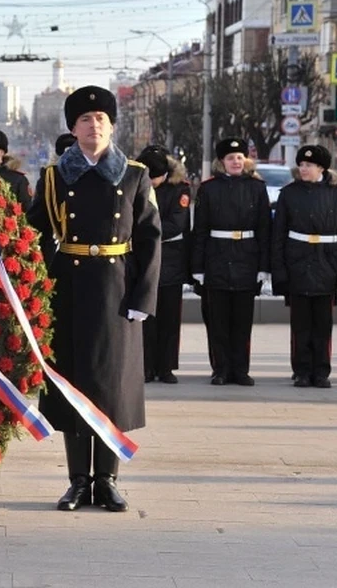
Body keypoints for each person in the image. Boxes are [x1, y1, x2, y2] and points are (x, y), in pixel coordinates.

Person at [27, 85, 161, 512]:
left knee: (111, 387)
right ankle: (77, 482)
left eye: (102, 118)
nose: (94, 124)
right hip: (68, 287)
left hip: (117, 290)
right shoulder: (53, 177)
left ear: (112, 125)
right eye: (85, 119)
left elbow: (150, 238)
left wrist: (143, 295)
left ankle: (107, 480)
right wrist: (37, 289)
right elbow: (33, 235)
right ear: (73, 127)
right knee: (72, 386)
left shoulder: (134, 174)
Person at [272, 146, 337, 388]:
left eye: (309, 165)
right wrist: (280, 272)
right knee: (300, 325)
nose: (304, 168)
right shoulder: (289, 194)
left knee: (322, 324)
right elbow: (278, 236)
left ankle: (321, 371)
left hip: (326, 264)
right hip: (297, 263)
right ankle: (301, 370)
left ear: (321, 168)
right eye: (301, 164)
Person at [191, 138, 271, 386]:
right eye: (230, 158)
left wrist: (263, 267)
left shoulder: (257, 188)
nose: (236, 162)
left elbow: (265, 229)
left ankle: (240, 369)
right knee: (218, 321)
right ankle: (220, 369)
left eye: (239, 157)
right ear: (221, 162)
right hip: (217, 257)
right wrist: (198, 268)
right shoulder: (209, 189)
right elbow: (200, 229)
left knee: (242, 321)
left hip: (246, 257)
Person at [138, 145, 190, 384]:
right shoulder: (135, 187)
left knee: (169, 318)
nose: (152, 182)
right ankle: (146, 366)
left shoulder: (178, 190)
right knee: (144, 317)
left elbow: (176, 224)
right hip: (141, 261)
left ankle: (166, 366)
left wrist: (146, 232)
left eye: (155, 177)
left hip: (170, 261)